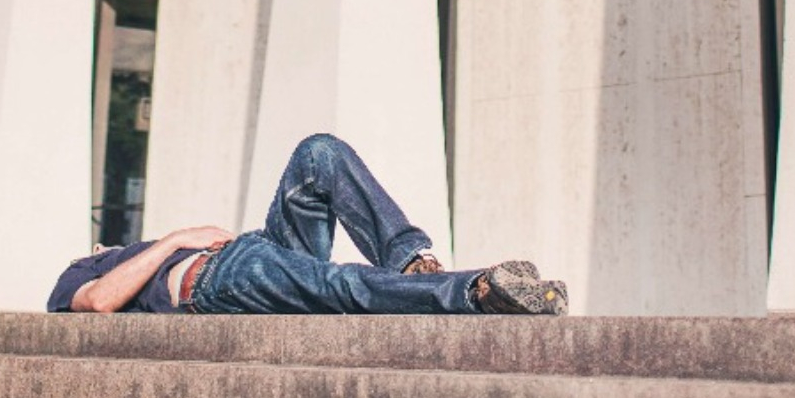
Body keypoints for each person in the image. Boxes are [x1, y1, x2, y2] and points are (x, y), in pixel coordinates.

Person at [47, 133, 567, 316]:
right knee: (335, 283)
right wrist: (175, 240)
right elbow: (99, 302)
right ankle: (476, 292)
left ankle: (412, 263)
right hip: (218, 282)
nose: (107, 242)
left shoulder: (130, 255)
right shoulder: (80, 273)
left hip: (252, 249)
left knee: (319, 152)